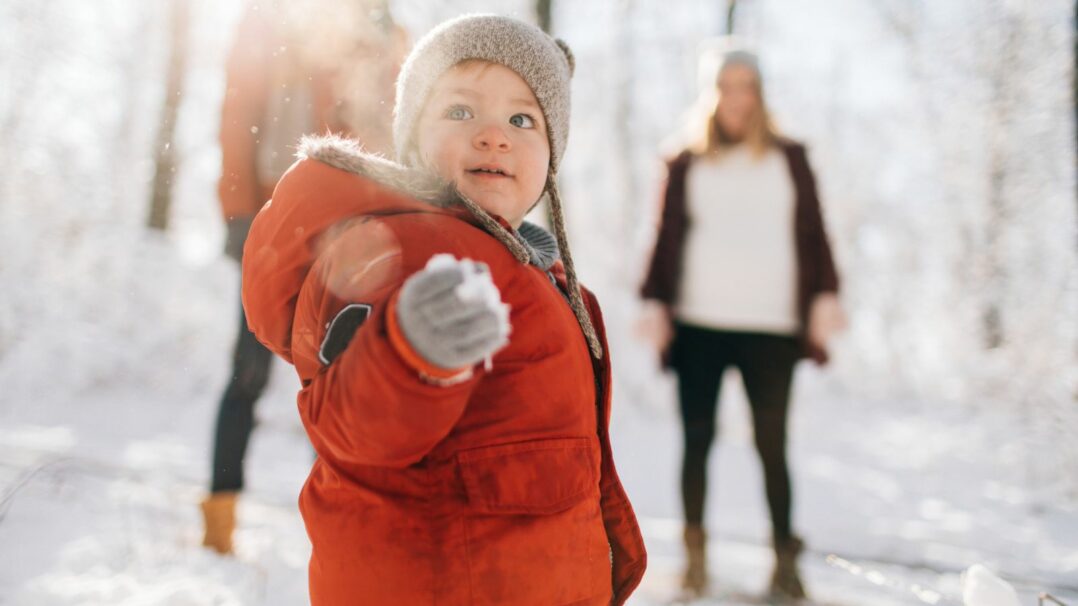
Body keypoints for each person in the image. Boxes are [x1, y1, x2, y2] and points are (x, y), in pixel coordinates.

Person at [240, 14, 646, 605]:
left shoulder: (546, 277)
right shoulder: (398, 247)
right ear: (412, 139)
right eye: (460, 112)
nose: (494, 135)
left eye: (522, 119)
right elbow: (352, 426)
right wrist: (410, 351)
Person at [200, 0, 408, 555]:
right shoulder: (264, 21)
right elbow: (237, 113)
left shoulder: (379, 27)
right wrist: (238, 210)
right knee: (248, 371)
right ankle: (220, 514)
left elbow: (393, 127)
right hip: (270, 223)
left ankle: (340, 521)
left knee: (339, 377)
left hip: (345, 231)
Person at [638, 49, 845, 599]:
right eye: (726, 85)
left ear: (760, 92)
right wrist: (654, 302)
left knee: (772, 445)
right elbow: (665, 238)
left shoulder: (791, 157)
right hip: (699, 323)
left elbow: (815, 232)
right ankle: (694, 559)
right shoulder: (684, 161)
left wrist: (826, 295)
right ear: (711, 92)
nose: (736, 96)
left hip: (772, 327)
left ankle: (784, 562)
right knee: (697, 442)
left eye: (746, 85)